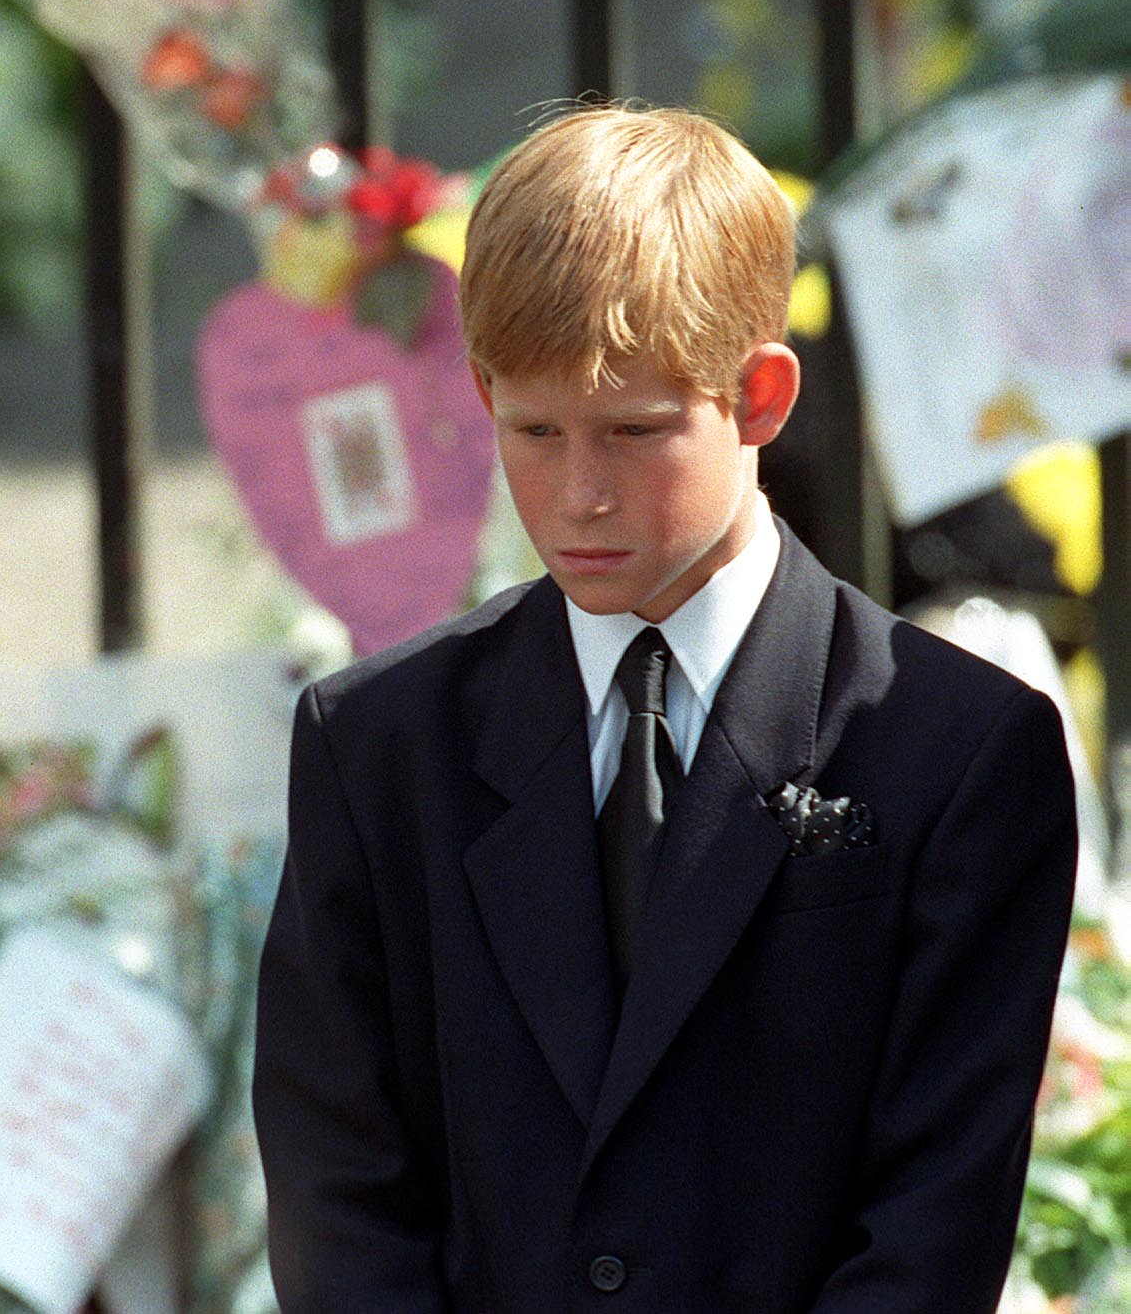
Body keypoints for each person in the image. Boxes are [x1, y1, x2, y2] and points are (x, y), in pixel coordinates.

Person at [252, 105, 1076, 1310]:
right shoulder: (377, 745)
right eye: (533, 431)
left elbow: (935, 1216)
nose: (579, 494)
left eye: (635, 433)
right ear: (481, 389)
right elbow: (341, 1189)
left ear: (760, 397)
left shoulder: (951, 749)